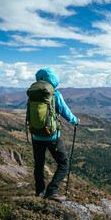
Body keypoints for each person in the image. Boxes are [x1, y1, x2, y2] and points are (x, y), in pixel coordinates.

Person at [30, 68, 79, 201]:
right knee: (63, 163)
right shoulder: (55, 95)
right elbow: (65, 111)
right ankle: (52, 190)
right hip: (52, 137)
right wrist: (75, 121)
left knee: (39, 165)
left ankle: (39, 192)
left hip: (36, 136)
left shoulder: (33, 95)